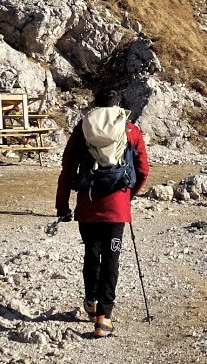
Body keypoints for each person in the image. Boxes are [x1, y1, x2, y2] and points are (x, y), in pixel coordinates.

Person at [55, 84, 149, 338]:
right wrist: (129, 195)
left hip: (87, 204)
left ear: (95, 106)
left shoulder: (83, 128)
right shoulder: (131, 130)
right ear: (118, 106)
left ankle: (91, 301)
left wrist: (62, 206)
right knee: (111, 259)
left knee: (91, 254)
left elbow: (67, 170)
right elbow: (143, 170)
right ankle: (104, 317)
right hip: (117, 207)